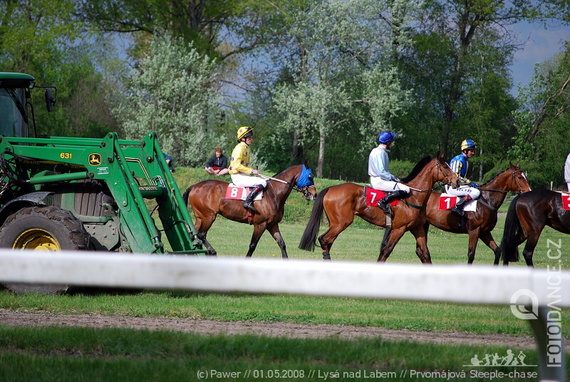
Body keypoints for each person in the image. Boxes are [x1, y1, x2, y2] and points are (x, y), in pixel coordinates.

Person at [368, 131, 411, 214]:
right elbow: (381, 172)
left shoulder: (379, 151)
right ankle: (383, 202)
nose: (392, 144)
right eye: (391, 142)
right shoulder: (379, 153)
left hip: (380, 179)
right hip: (379, 180)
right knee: (406, 189)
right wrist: (395, 179)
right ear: (387, 142)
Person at [228, 126, 267, 213]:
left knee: (265, 180)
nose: (251, 139)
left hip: (242, 175)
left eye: (251, 137)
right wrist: (251, 171)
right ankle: (248, 201)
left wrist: (253, 171)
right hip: (237, 176)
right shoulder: (240, 148)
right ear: (242, 138)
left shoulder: (246, 148)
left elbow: (245, 165)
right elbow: (237, 165)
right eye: (249, 137)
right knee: (263, 182)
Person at [446, 139, 481, 216]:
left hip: (459, 185)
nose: (473, 153)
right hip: (453, 187)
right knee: (476, 192)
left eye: (474, 151)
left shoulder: (464, 160)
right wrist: (469, 182)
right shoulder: (458, 160)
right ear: (465, 150)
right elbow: (456, 177)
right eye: (471, 151)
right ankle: (458, 206)